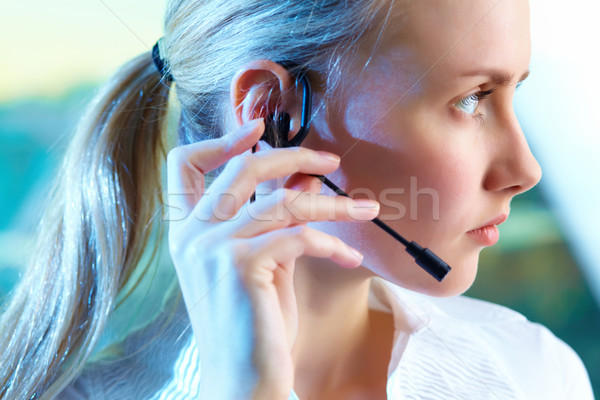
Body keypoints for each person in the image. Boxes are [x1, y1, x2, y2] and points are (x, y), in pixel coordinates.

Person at [0, 0, 594, 399]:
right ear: (274, 115)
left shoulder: (534, 374)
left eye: (515, 90)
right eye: (471, 98)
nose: (526, 169)